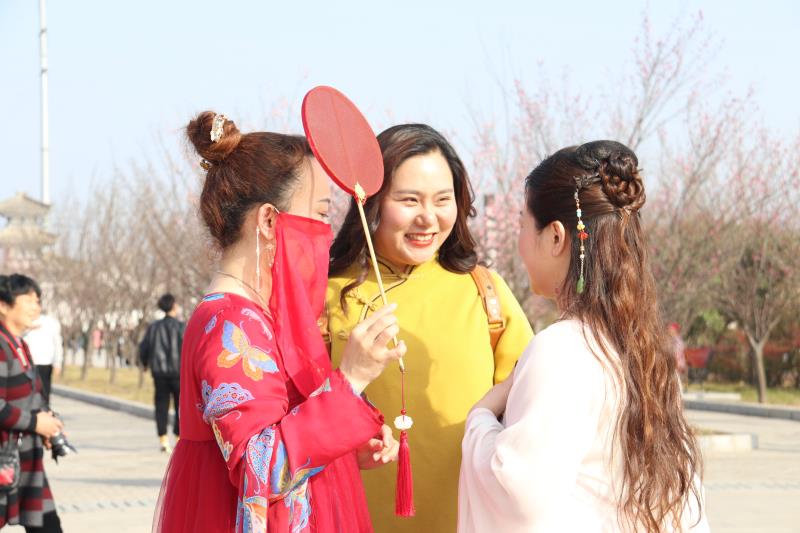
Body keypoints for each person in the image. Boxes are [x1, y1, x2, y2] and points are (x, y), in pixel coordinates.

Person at [153, 112, 405, 533]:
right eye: (320, 214)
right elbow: (261, 469)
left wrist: (344, 446)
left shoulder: (253, 313)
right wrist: (351, 381)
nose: (325, 232)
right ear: (269, 221)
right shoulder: (232, 323)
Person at [459, 141, 709, 532]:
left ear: (556, 237)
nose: (520, 243)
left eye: (523, 225)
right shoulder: (644, 349)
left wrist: (480, 417)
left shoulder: (560, 348)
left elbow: (517, 495)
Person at [327, 124, 533, 532]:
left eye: (442, 200)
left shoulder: (486, 291)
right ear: (371, 201)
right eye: (408, 200)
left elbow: (529, 410)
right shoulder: (324, 296)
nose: (427, 218)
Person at [0, 274, 64, 532]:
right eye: (27, 300)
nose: (35, 307)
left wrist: (49, 423)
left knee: (48, 526)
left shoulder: (20, 345)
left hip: (25, 459)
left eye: (37, 301)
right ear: (3, 305)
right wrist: (35, 423)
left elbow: (32, 396)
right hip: (5, 459)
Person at [139, 293, 184, 452]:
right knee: (180, 406)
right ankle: (178, 437)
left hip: (159, 373)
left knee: (161, 405)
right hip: (179, 374)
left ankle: (163, 439)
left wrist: (145, 363)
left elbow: (144, 347)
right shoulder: (181, 327)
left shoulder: (154, 327)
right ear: (173, 306)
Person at [23, 311, 63, 408]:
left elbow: (58, 343)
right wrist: (29, 328)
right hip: (28, 363)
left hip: (45, 362)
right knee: (28, 390)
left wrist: (58, 362)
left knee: (44, 390)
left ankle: (45, 409)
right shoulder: (25, 321)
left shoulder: (51, 322)